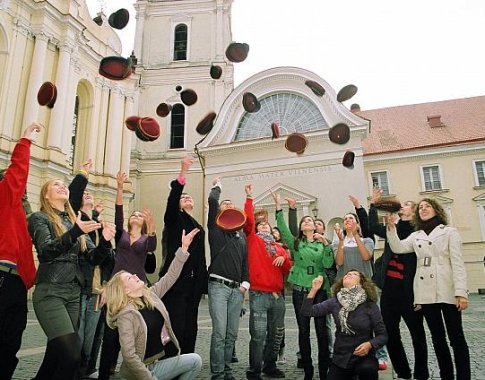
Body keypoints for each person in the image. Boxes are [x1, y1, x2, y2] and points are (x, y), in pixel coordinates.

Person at [28, 177, 116, 380]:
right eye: (55, 185)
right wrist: (76, 231)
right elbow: (46, 251)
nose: (61, 186)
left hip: (74, 294)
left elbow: (93, 258)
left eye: (63, 185)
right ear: (46, 195)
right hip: (51, 292)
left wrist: (105, 241)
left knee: (55, 358)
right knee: (71, 357)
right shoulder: (39, 218)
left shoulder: (73, 221)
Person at [387, 198, 470, 380]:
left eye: (428, 206)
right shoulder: (416, 235)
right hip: (426, 293)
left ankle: (464, 376)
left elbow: (457, 263)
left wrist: (461, 293)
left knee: (456, 338)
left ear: (436, 210)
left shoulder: (449, 232)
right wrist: (392, 229)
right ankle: (446, 375)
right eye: (421, 207)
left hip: (448, 289)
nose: (423, 209)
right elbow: (398, 248)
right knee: (438, 339)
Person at [105, 228, 202, 380]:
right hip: (140, 372)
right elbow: (130, 357)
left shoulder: (150, 295)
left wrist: (183, 249)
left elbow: (170, 277)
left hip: (160, 363)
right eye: (130, 278)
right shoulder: (126, 315)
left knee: (195, 361)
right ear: (125, 291)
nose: (136, 276)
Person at [98, 171, 157, 380]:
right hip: (117, 285)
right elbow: (118, 212)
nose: (136, 216)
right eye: (135, 214)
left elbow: (153, 245)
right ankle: (106, 371)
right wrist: (120, 187)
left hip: (137, 287)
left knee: (132, 329)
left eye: (139, 215)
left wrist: (151, 225)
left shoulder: (145, 239)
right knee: (110, 332)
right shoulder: (122, 235)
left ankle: (132, 368)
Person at [369, 188, 429, 380]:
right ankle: (403, 371)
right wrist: (373, 203)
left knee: (417, 334)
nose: (401, 206)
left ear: (413, 211)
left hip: (410, 289)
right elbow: (371, 226)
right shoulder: (391, 227)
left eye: (406, 205)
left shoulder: (418, 231)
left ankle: (421, 373)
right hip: (390, 289)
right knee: (390, 333)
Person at [273, 192, 333, 380]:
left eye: (309, 220)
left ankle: (324, 371)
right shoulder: (296, 243)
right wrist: (278, 207)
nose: (306, 222)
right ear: (300, 227)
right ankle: (308, 370)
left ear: (316, 226)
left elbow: (329, 264)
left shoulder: (323, 243)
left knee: (322, 332)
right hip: (301, 291)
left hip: (320, 292)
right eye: (303, 221)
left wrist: (327, 245)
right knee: (304, 331)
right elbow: (282, 229)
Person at [0, 122, 42, 380]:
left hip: (16, 283)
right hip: (3, 278)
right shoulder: (5, 197)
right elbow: (15, 176)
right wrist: (24, 142)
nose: (22, 188)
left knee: (10, 345)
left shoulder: (20, 213)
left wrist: (28, 279)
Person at [68, 159, 115, 377]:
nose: (87, 193)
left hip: (97, 291)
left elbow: (107, 261)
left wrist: (106, 285)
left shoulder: (97, 226)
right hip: (81, 289)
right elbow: (93, 256)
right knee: (77, 341)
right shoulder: (77, 221)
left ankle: (88, 371)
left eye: (90, 192)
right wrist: (83, 174)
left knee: (91, 341)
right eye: (83, 193)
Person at [158, 155, 208, 354]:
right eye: (182, 197)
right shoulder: (174, 220)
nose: (186, 197)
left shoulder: (198, 226)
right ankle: (170, 362)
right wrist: (183, 174)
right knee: (174, 325)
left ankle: (186, 363)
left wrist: (202, 282)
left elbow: (201, 256)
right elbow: (171, 202)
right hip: (175, 282)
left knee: (190, 328)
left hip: (193, 285)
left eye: (189, 196)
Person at [301, 270, 388, 380]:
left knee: (367, 370)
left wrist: (370, 344)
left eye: (354, 274)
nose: (348, 275)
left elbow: (383, 335)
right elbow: (307, 312)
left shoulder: (370, 305)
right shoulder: (334, 302)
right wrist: (314, 289)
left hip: (364, 358)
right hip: (341, 357)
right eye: (347, 274)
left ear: (362, 283)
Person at [244, 184, 292, 380]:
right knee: (258, 335)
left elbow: (288, 268)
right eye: (262, 225)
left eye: (268, 226)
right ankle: (254, 369)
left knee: (276, 334)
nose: (265, 227)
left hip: (277, 297)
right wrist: (249, 198)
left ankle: (269, 366)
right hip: (258, 294)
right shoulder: (253, 240)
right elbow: (248, 222)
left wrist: (285, 260)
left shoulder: (278, 247)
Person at [208, 177, 249, 380]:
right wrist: (218, 188)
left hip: (236, 290)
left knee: (231, 333)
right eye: (225, 205)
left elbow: (244, 262)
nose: (227, 207)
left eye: (231, 206)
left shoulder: (241, 237)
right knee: (219, 332)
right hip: (218, 287)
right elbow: (213, 203)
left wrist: (245, 284)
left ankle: (226, 367)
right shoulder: (215, 230)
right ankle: (217, 372)